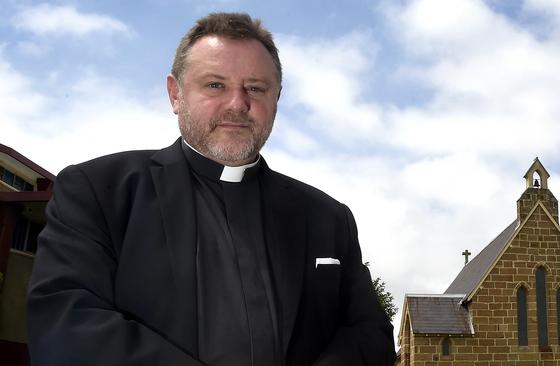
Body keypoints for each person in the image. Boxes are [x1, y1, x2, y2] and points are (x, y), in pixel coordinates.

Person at [27, 12, 395, 366]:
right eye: (215, 84)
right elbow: (65, 324)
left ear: (277, 99)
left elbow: (370, 333)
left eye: (255, 87)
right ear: (175, 94)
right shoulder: (99, 191)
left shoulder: (328, 217)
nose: (238, 104)